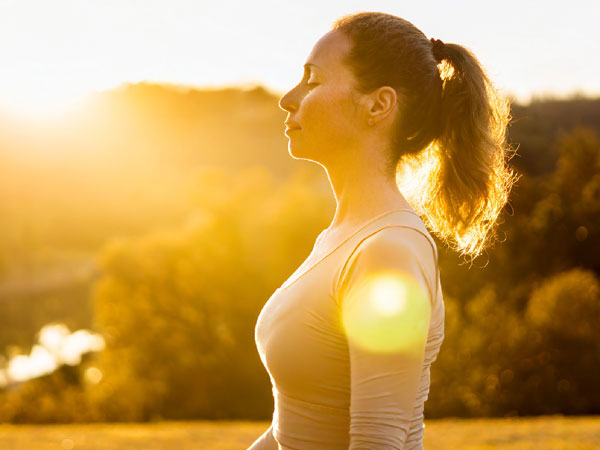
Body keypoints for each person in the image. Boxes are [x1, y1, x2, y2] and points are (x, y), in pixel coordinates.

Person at [248, 11, 518, 450]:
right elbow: (293, 427)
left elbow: (378, 442)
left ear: (378, 105)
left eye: (312, 81)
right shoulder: (341, 238)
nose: (288, 98)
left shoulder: (387, 252)